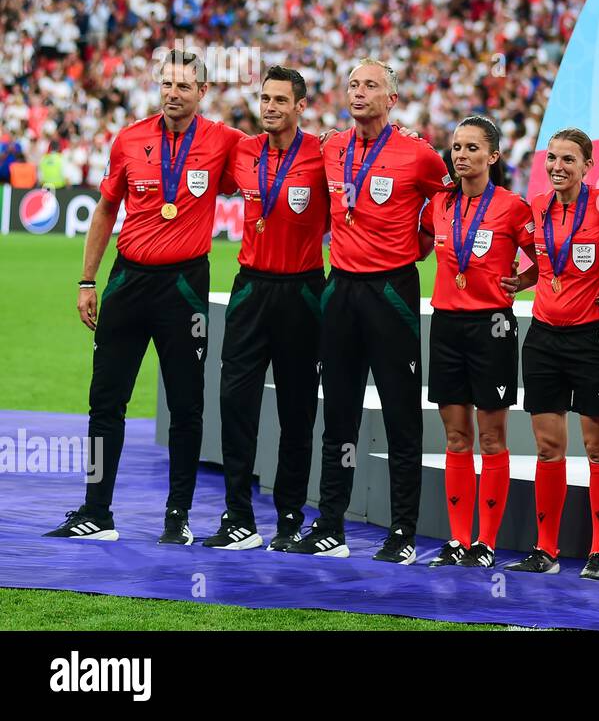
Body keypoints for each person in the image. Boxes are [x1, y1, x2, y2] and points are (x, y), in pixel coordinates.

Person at [45, 51, 244, 544]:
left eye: (184, 85)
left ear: (203, 91)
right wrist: (88, 280)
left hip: (184, 286)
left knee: (186, 405)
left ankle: (177, 517)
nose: (173, 92)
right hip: (128, 281)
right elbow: (106, 208)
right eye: (167, 83)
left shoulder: (225, 141)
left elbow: (277, 160)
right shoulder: (130, 138)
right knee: (104, 401)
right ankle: (96, 511)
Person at [290, 58, 452, 563]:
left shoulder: (420, 154)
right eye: (353, 85)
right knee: (338, 413)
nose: (358, 93)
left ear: (392, 98)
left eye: (370, 86)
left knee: (402, 414)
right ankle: (331, 523)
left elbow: (448, 202)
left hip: (391, 293)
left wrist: (422, 241)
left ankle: (402, 531)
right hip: (340, 291)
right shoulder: (331, 147)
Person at [202, 67, 329, 552]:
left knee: (298, 410)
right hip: (250, 288)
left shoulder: (323, 153)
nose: (270, 106)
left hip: (302, 291)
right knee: (236, 403)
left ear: (301, 105)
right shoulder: (242, 150)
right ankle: (238, 518)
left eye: (280, 99)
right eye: (265, 98)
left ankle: (291, 518)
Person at [506, 128, 599, 579]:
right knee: (548, 447)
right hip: (543, 338)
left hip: (593, 337)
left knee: (598, 447)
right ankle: (546, 549)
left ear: (587, 166)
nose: (558, 166)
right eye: (552, 158)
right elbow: (551, 260)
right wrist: (523, 281)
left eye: (568, 160)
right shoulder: (536, 207)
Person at [421, 116, 537, 569]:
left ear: (493, 156)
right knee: (455, 436)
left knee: (491, 437)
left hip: (492, 327)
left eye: (472, 148)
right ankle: (456, 540)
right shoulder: (438, 204)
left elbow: (545, 257)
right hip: (446, 324)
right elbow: (419, 245)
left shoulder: (512, 206)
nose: (461, 155)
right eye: (456, 147)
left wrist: (520, 282)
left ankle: (484, 543)